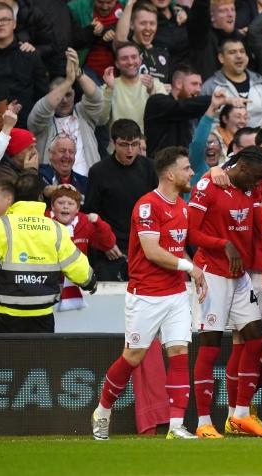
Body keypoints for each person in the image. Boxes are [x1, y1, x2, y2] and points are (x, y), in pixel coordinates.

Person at [91, 146, 207, 440]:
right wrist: (190, 268)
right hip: (145, 294)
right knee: (133, 356)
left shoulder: (182, 206)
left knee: (180, 351)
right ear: (170, 174)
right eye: (186, 168)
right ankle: (102, 411)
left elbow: (176, 247)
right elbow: (152, 251)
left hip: (175, 293)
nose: (191, 172)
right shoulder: (147, 205)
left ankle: (176, 426)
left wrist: (193, 272)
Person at [187, 145, 262, 438]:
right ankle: (203, 423)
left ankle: (240, 415)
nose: (258, 185)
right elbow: (191, 233)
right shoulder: (208, 185)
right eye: (256, 178)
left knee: (255, 338)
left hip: (240, 276)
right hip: (213, 274)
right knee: (210, 345)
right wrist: (223, 243)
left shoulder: (251, 188)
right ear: (244, 169)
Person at [0, 170, 94, 333]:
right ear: (41, 197)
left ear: (15, 196)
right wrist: (91, 282)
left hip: (5, 317)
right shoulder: (56, 229)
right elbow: (77, 266)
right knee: (39, 358)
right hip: (42, 317)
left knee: (8, 359)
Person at [83, 119, 157, 283]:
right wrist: (105, 244)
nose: (130, 150)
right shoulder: (99, 171)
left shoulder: (150, 168)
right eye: (124, 144)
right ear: (113, 143)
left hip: (145, 247)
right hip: (110, 250)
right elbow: (90, 213)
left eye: (135, 144)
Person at [27, 48, 106, 176]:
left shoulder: (83, 113)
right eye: (60, 95)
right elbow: (42, 109)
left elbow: (97, 99)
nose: (64, 100)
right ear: (51, 96)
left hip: (88, 185)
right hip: (53, 187)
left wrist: (78, 73)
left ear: (75, 94)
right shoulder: (42, 122)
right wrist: (69, 81)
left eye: (68, 94)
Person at [201, 34, 262, 128]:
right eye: (232, 52)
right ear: (221, 58)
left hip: (257, 141)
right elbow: (200, 123)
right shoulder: (209, 87)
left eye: (242, 51)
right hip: (221, 141)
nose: (239, 56)